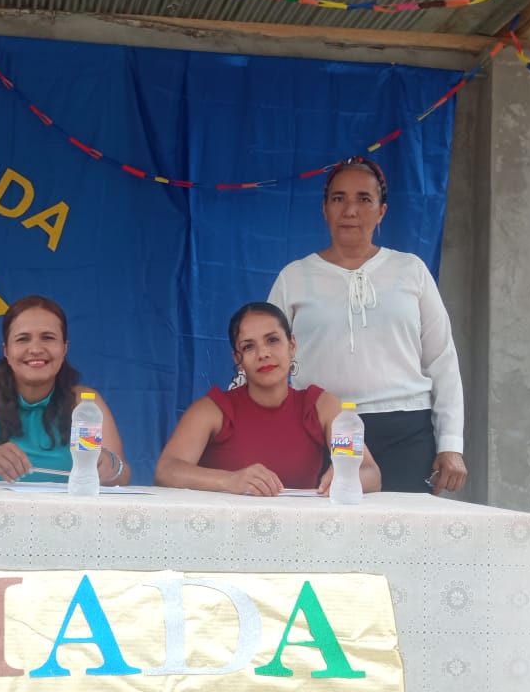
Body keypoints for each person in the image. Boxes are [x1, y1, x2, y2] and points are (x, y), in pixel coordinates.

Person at [268, 155, 466, 494]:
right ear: (325, 209)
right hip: (322, 429)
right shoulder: (294, 277)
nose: (350, 210)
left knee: (404, 526)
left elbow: (442, 360)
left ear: (381, 211)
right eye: (338, 198)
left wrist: (451, 444)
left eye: (364, 199)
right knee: (326, 525)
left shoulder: (411, 271)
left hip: (405, 431)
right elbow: (266, 360)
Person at [154, 302, 381, 496]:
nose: (263, 353)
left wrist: (346, 477)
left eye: (272, 340)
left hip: (300, 528)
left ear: (292, 346)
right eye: (248, 346)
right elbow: (166, 470)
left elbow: (369, 472)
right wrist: (229, 480)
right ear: (238, 359)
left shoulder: (321, 406)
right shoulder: (213, 409)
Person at [0, 295, 131, 485]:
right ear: (6, 350)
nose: (36, 349)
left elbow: (122, 475)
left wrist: (111, 466)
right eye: (23, 339)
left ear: (64, 348)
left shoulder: (85, 402)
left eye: (48, 337)